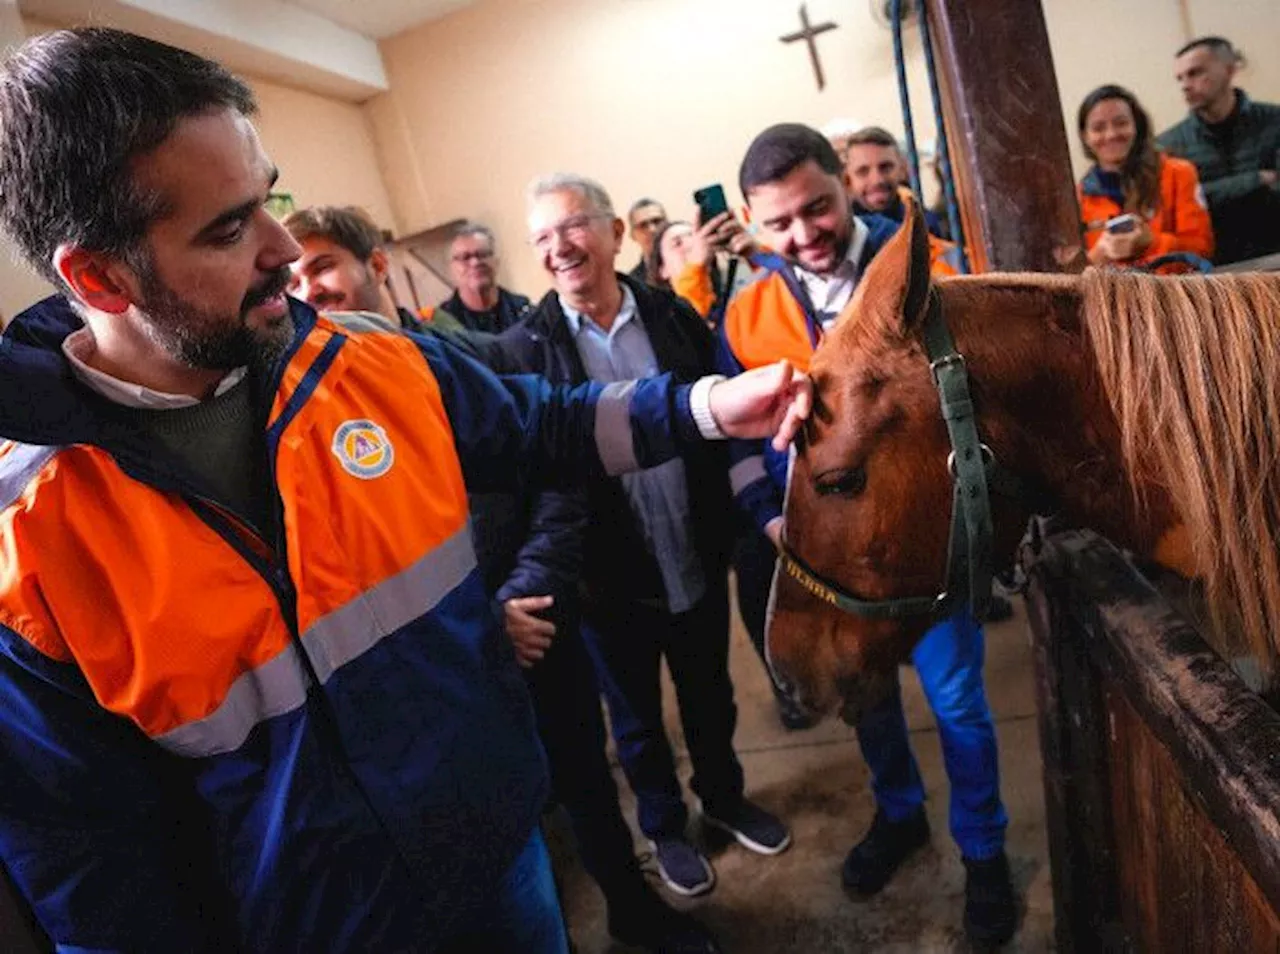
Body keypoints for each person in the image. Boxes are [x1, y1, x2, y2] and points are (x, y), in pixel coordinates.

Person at [0, 28, 811, 954]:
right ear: (99, 278)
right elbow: (90, 865)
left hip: (501, 862)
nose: (281, 248)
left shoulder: (365, 359)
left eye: (272, 199)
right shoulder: (29, 541)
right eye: (228, 228)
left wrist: (711, 404)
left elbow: (541, 423)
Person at [286, 201, 721, 954]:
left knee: (586, 779)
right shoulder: (301, 419)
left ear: (376, 265)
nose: (308, 287)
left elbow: (558, 480)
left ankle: (629, 908)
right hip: (435, 667)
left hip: (537, 627)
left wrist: (523, 593)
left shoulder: (475, 363)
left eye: (321, 264)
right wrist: (476, 626)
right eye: (292, 275)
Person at [718, 122, 1017, 947]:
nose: (803, 234)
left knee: (957, 701)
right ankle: (899, 814)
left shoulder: (929, 270)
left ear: (845, 184)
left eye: (818, 206)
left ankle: (985, 853)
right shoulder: (746, 312)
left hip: (926, 544)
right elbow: (742, 449)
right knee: (866, 697)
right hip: (833, 557)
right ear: (751, 221)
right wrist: (773, 521)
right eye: (778, 223)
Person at [490, 173, 792, 900]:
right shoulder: (525, 347)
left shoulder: (672, 314)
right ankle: (663, 826)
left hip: (692, 549)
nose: (559, 248)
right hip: (607, 578)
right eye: (541, 238)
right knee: (635, 722)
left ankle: (722, 798)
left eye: (573, 227)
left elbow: (715, 424)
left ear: (616, 232)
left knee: (711, 695)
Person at [1157, 36, 1280, 265]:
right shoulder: (1168, 146)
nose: (1185, 85)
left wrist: (1206, 193)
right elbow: (1176, 212)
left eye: (1195, 73)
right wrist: (1256, 180)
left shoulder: (1274, 122)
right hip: (1215, 272)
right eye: (1180, 78)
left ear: (1229, 70)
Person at [1077, 84, 1214, 269]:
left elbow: (1202, 250)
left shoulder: (1178, 174)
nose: (1111, 134)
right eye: (1098, 128)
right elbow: (1073, 275)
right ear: (1085, 136)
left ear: (1137, 126)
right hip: (1111, 296)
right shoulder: (1078, 198)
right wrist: (1100, 253)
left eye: (1121, 123)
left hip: (1174, 293)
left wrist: (1152, 243)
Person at [283, 204, 467, 334]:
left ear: (377, 266)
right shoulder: (306, 384)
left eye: (322, 268)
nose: (307, 294)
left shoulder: (455, 359)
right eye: (294, 285)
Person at [440, 221, 532, 333]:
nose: (475, 262)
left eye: (482, 254)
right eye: (465, 257)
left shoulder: (527, 314)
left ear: (496, 261)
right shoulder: (441, 327)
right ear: (451, 268)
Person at [626, 197, 668, 282]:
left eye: (657, 221)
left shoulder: (695, 264)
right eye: (643, 225)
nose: (652, 229)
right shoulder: (633, 283)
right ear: (633, 236)